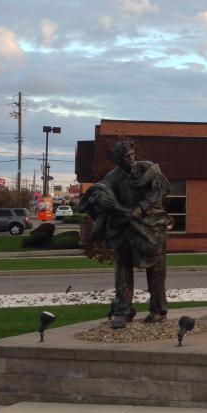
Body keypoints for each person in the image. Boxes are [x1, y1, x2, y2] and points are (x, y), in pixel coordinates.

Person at [79, 139, 170, 330]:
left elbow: (161, 188)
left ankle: (158, 309)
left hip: (151, 225)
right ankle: (123, 311)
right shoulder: (113, 177)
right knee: (122, 269)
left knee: (156, 269)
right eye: (127, 156)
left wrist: (142, 206)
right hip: (125, 228)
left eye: (132, 154)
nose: (131, 158)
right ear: (119, 160)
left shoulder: (147, 169)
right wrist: (96, 198)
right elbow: (102, 192)